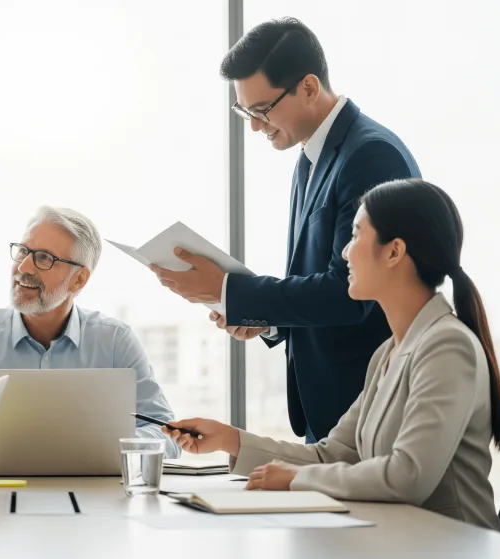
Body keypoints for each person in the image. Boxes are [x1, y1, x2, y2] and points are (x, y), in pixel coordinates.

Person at [164, 179, 500, 530]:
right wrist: (229, 439)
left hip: (454, 545)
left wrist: (297, 479)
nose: (345, 251)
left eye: (356, 235)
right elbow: (331, 455)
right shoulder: (390, 352)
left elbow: (409, 476)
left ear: (394, 252)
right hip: (400, 539)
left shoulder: (448, 347)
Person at [151, 18, 420, 442]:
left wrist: (231, 291)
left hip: (369, 409)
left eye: (261, 110)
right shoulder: (308, 160)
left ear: (309, 87)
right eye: (245, 112)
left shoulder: (371, 156)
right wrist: (265, 320)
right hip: (331, 415)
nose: (255, 126)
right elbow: (313, 283)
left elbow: (351, 293)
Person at [0, 206, 181, 462]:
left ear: (79, 279)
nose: (23, 268)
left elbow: (167, 435)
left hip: (96, 502)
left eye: (44, 258)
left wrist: (108, 446)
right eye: (23, 251)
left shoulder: (115, 341)